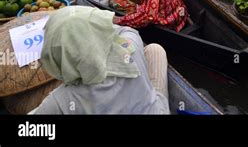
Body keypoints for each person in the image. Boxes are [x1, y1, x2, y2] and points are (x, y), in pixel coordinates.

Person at [30, 6, 170, 114]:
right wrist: (101, 22)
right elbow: (126, 30)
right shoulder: (130, 48)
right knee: (154, 49)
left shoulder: (62, 99)